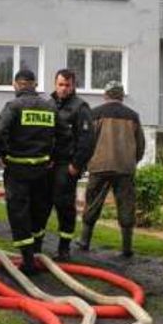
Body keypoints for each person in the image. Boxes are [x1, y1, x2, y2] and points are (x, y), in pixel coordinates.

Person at [0, 68, 64, 274]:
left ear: (16, 84)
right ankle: (37, 250)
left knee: (19, 212)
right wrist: (54, 157)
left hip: (17, 169)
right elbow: (64, 135)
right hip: (42, 169)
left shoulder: (13, 106)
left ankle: (28, 260)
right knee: (39, 210)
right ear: (35, 84)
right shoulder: (50, 107)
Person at [79, 80, 145, 258]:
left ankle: (84, 241)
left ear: (105, 94)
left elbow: (86, 141)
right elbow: (140, 145)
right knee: (126, 206)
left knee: (92, 203)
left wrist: (86, 162)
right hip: (125, 168)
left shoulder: (95, 114)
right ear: (122, 96)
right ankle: (127, 248)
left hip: (99, 166)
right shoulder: (133, 116)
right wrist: (132, 161)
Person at [44, 68, 94, 261]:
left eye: (67, 85)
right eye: (60, 84)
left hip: (67, 164)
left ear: (73, 86)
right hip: (48, 164)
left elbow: (87, 140)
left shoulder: (80, 108)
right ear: (55, 84)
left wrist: (77, 164)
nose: (63, 89)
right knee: (43, 204)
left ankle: (64, 248)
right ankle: (37, 246)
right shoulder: (48, 105)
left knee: (64, 206)